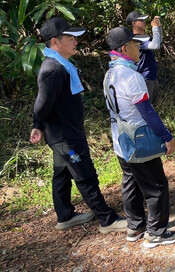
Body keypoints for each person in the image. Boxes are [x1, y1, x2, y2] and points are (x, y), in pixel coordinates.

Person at [30, 17, 126, 233]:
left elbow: (47, 103)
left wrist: (39, 125)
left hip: (63, 133)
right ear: (55, 41)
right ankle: (107, 220)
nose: (76, 41)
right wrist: (38, 124)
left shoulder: (60, 64)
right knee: (84, 174)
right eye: (71, 37)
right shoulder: (53, 69)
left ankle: (65, 216)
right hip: (65, 136)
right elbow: (42, 104)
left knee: (62, 174)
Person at [104, 26, 175, 248]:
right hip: (138, 141)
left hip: (120, 141)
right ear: (125, 48)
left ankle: (135, 226)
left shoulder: (110, 72)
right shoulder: (132, 76)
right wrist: (167, 136)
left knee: (131, 181)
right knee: (156, 186)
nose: (141, 48)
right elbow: (147, 112)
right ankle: (156, 232)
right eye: (137, 45)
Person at [127, 11, 163, 105]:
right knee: (147, 108)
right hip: (144, 78)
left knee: (153, 107)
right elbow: (155, 45)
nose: (144, 22)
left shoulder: (145, 37)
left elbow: (158, 41)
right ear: (134, 23)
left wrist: (159, 27)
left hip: (152, 77)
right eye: (141, 20)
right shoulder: (136, 40)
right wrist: (154, 28)